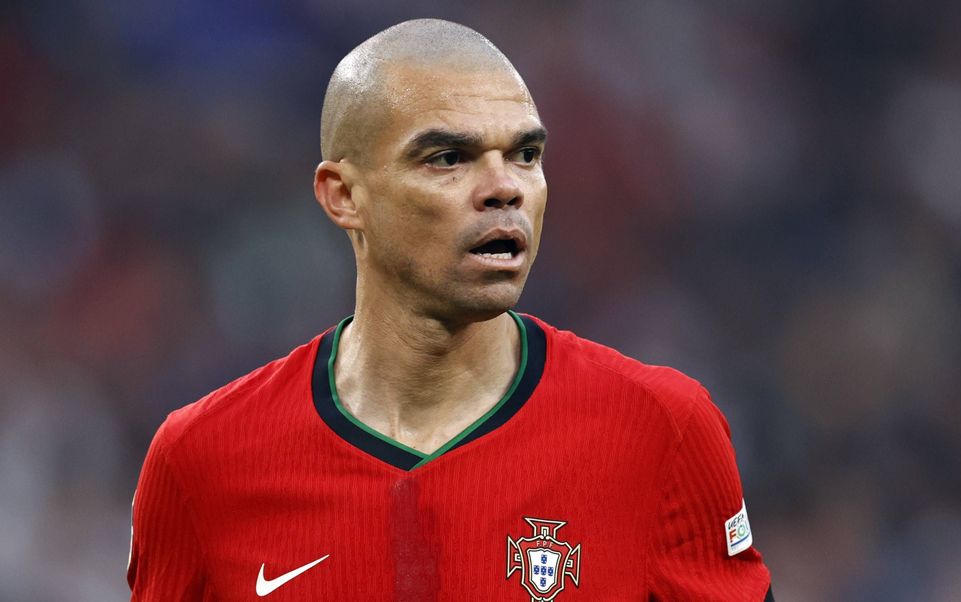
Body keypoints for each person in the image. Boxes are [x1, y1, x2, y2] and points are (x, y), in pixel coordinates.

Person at [127, 18, 773, 601]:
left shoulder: (661, 430)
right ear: (344, 195)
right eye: (448, 158)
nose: (504, 188)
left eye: (526, 154)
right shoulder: (202, 461)